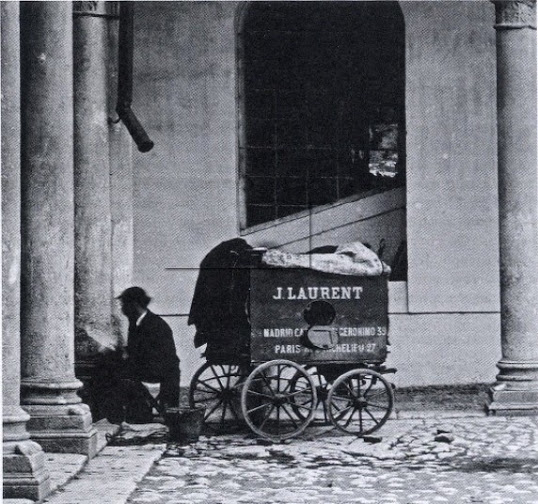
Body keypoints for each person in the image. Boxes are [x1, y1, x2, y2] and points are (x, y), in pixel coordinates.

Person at [117, 286, 180, 411]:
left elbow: (157, 354)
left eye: (124, 304)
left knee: (117, 373)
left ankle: (140, 409)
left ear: (134, 304)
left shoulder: (155, 324)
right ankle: (139, 408)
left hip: (161, 368)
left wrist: (126, 354)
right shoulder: (136, 321)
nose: (122, 308)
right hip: (149, 365)